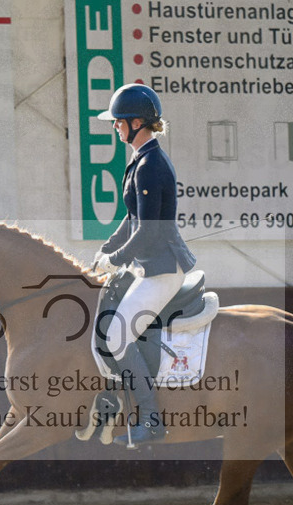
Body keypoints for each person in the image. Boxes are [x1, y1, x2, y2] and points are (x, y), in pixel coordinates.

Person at [92, 83, 197, 447]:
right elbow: (132, 218)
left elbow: (149, 233)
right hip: (150, 266)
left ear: (137, 122)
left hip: (162, 269)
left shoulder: (151, 165)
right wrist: (107, 249)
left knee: (117, 335)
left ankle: (151, 419)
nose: (115, 128)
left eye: (118, 122)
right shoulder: (140, 160)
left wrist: (116, 260)